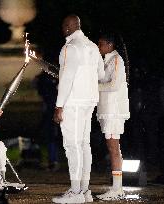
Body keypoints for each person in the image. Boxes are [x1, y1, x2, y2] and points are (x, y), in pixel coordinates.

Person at [52, 14, 105, 204]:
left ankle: (76, 193)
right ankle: (84, 190)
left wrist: (59, 106)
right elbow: (101, 74)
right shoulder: (92, 46)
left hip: (73, 102)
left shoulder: (70, 47)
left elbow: (66, 79)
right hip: (89, 100)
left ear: (67, 27)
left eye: (62, 26)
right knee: (84, 145)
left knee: (72, 146)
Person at [96, 33, 130, 200]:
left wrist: (94, 87)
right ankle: (117, 188)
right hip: (107, 111)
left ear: (110, 44)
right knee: (114, 149)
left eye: (100, 44)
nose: (98, 46)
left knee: (113, 149)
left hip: (113, 112)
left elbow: (114, 85)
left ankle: (117, 189)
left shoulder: (116, 60)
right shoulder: (107, 60)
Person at [34, 71, 61, 171]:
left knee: (52, 135)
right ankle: (51, 160)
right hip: (50, 110)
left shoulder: (50, 78)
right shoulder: (45, 77)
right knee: (49, 135)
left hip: (54, 110)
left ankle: (53, 161)